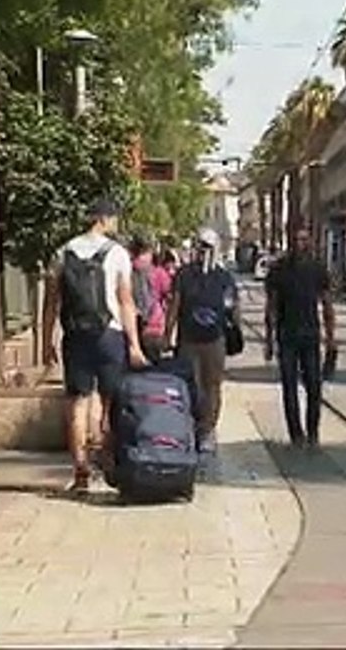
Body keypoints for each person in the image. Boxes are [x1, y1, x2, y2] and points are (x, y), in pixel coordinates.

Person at [42, 198, 149, 494]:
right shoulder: (116, 254)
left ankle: (80, 471)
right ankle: (106, 460)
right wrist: (134, 345)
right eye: (114, 219)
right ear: (105, 219)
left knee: (77, 401)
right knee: (107, 402)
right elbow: (126, 301)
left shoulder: (63, 252)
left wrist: (46, 340)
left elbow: (51, 302)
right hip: (109, 335)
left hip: (75, 335)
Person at [166, 229, 237, 455]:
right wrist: (167, 335)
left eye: (208, 246)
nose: (204, 251)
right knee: (190, 386)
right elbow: (174, 306)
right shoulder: (184, 275)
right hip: (188, 340)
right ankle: (190, 427)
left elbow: (233, 309)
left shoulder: (224, 277)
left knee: (212, 386)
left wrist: (235, 330)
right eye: (201, 246)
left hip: (214, 340)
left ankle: (207, 429)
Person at [264, 226, 336, 449]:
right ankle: (296, 435)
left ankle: (313, 433)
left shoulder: (317, 269)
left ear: (310, 242)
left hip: (310, 335)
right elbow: (272, 307)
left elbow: (326, 304)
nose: (300, 244)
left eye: (304, 239)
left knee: (314, 385)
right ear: (290, 242)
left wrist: (331, 337)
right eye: (296, 239)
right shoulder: (278, 270)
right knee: (289, 386)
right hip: (287, 336)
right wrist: (269, 338)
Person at [130, 236, 173, 359]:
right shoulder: (158, 273)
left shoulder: (126, 269)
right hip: (153, 328)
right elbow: (171, 297)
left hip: (131, 328)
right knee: (153, 372)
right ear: (148, 251)